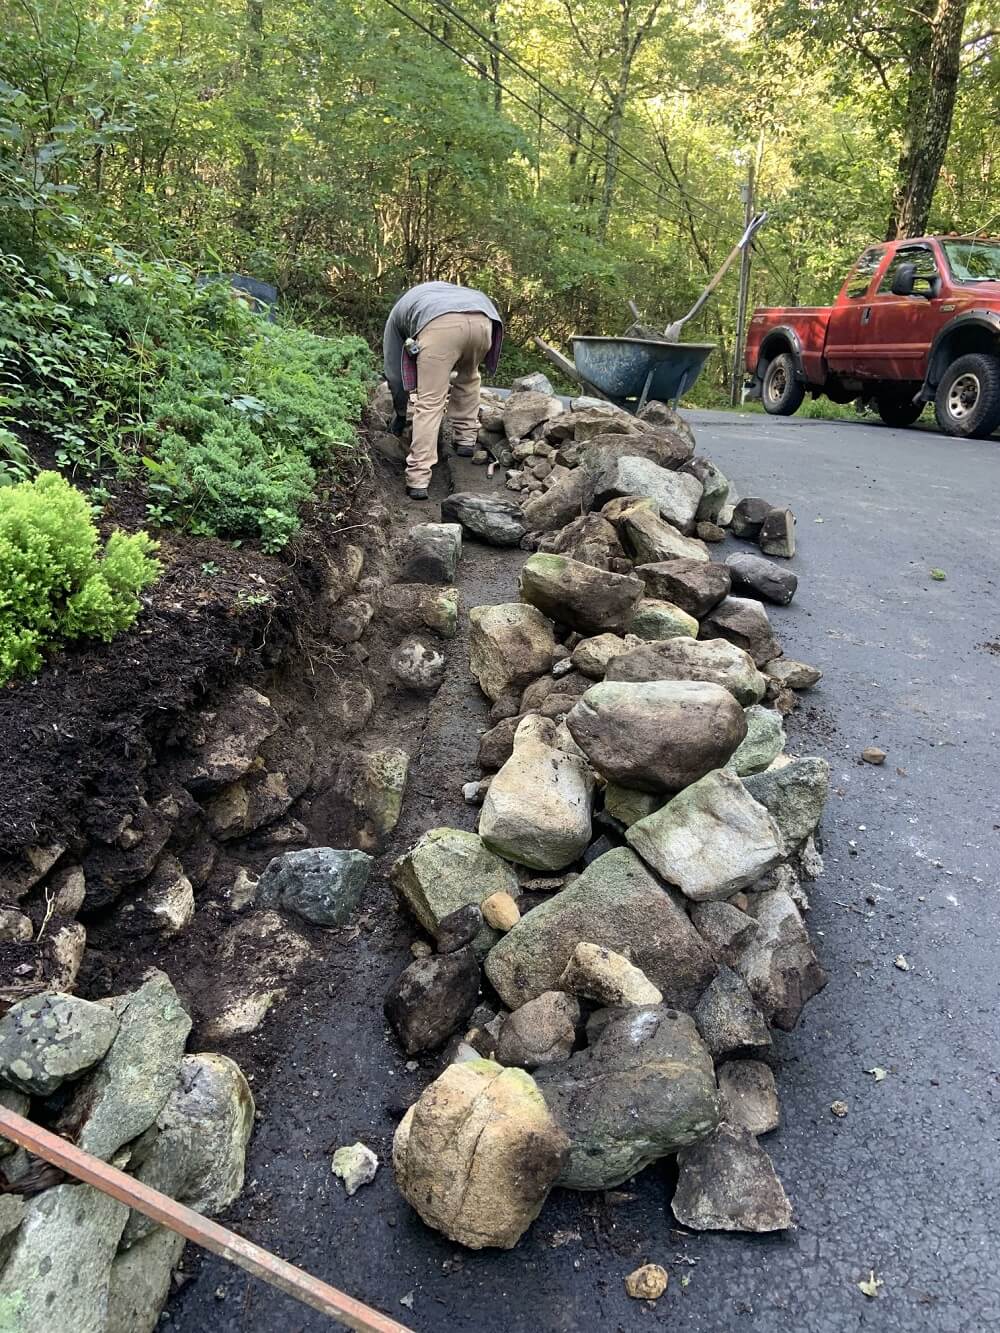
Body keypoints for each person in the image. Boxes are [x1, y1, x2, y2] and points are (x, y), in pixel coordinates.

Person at [383, 281, 503, 499]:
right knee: (469, 377)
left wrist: (400, 414)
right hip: (484, 322)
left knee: (430, 402)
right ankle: (466, 439)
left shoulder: (398, 314)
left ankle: (418, 478)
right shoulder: (440, 291)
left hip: (442, 327)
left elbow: (394, 374)